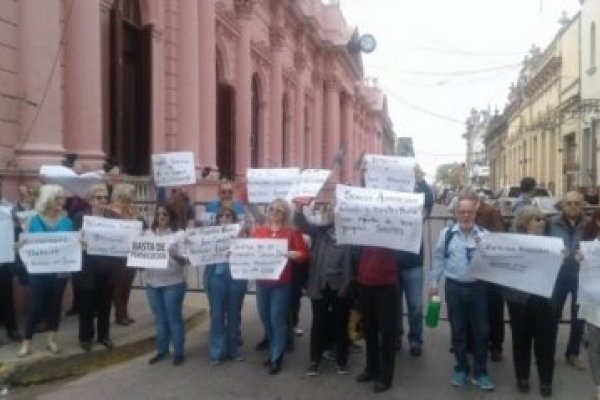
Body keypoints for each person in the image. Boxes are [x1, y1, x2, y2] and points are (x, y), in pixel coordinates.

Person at [429, 189, 494, 391]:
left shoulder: (485, 236)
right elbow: (439, 259)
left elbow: (496, 262)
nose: (466, 216)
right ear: (456, 213)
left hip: (479, 289)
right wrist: (433, 284)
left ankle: (481, 372)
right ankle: (461, 369)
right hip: (455, 288)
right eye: (462, 212)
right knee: (458, 331)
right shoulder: (447, 235)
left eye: (470, 212)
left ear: (476, 212)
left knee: (482, 332)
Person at [294, 200, 354, 376]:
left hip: (341, 284)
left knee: (341, 323)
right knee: (318, 322)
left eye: (333, 211)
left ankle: (342, 361)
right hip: (319, 284)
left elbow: (352, 260)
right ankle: (314, 361)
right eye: (327, 211)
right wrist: (298, 208)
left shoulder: (349, 233)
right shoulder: (318, 230)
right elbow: (302, 223)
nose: (330, 214)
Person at [251, 198, 309, 375]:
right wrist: (236, 253)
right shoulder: (259, 231)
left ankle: (277, 356)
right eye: (271, 209)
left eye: (278, 211)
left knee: (277, 319)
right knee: (265, 318)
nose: (274, 213)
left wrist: (295, 254)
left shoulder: (291, 232)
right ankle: (273, 348)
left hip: (282, 284)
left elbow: (304, 255)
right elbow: (248, 252)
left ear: (285, 214)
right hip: (262, 283)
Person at [506, 206, 556, 397]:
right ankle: (522, 378)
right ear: (525, 222)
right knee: (520, 339)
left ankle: (546, 381)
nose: (542, 222)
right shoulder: (512, 242)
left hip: (542, 298)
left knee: (544, 341)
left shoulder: (551, 243)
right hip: (518, 298)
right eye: (537, 219)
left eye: (543, 219)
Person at [19, 184, 73, 357]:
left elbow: (71, 244)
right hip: (39, 272)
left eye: (62, 198)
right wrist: (20, 246)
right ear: (48, 200)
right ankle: (26, 341)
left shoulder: (67, 222)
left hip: (60, 271)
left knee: (55, 305)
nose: (61, 202)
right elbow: (25, 243)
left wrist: (80, 244)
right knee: (36, 305)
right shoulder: (34, 220)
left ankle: (51, 340)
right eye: (57, 198)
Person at [75, 184, 118, 352]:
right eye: (98, 197)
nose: (102, 200)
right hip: (87, 268)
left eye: (105, 197)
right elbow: (73, 239)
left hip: (107, 267)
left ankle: (104, 336)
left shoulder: (114, 217)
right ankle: (85, 338)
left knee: (105, 304)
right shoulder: (80, 217)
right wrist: (79, 240)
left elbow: (122, 237)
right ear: (90, 200)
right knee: (86, 304)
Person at [395, 168, 433, 356]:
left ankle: (415, 339)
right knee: (393, 305)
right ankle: (396, 336)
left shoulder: (417, 200)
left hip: (413, 262)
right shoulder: (389, 198)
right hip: (391, 263)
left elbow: (429, 202)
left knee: (415, 305)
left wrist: (421, 181)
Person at [548, 190, 587, 370]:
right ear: (563, 205)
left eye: (576, 203)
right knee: (552, 315)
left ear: (582, 205)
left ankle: (573, 353)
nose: (572, 207)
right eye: (569, 203)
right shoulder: (552, 223)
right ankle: (547, 353)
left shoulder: (589, 225)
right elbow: (543, 244)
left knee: (579, 317)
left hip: (581, 276)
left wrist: (585, 255)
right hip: (558, 275)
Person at [146, 204, 188, 366]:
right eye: (158, 214)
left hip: (173, 283)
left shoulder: (179, 235)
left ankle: (179, 351)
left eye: (165, 214)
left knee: (173, 318)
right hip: (152, 283)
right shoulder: (149, 234)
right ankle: (162, 350)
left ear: (171, 217)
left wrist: (175, 255)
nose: (161, 217)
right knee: (159, 319)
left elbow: (186, 261)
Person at [204, 206, 248, 364]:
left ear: (233, 219)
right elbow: (199, 252)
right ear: (217, 220)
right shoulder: (209, 236)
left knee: (234, 314)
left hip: (236, 277)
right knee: (217, 314)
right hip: (217, 277)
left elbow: (250, 255)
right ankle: (217, 351)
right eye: (221, 216)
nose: (224, 219)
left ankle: (234, 350)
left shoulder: (241, 236)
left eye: (228, 216)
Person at [476, 198, 506, 362]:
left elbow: (499, 236)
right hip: (476, 268)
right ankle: (477, 343)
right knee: (477, 309)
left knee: (494, 309)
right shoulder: (466, 213)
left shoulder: (491, 212)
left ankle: (496, 346)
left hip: (492, 268)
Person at [110, 183, 142, 326]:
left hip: (130, 253)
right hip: (116, 255)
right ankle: (120, 313)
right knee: (117, 285)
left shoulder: (130, 211)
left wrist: (134, 217)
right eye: (129, 197)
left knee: (127, 284)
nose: (131, 201)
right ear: (121, 197)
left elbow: (139, 228)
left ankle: (124, 312)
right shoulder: (110, 212)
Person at [579, 208, 600, 400]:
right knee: (595, 346)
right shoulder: (589, 249)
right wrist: (579, 260)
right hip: (595, 305)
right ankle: (599, 385)